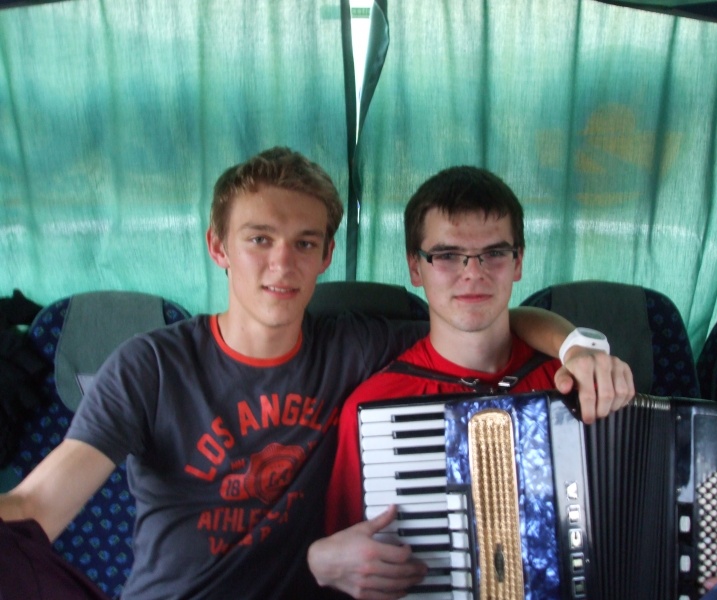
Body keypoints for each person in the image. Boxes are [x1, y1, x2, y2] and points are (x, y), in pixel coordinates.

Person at [0, 148, 633, 600]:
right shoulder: (151, 367)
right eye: (259, 239)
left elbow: (481, 314)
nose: (283, 263)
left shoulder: (357, 346)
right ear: (218, 247)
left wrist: (577, 346)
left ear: (327, 254)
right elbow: (35, 506)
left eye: (304, 242)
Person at [308, 166, 635, 598]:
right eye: (446, 255)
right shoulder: (374, 408)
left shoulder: (576, 383)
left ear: (518, 262)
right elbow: (350, 569)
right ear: (415, 267)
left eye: (494, 253)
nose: (473, 273)